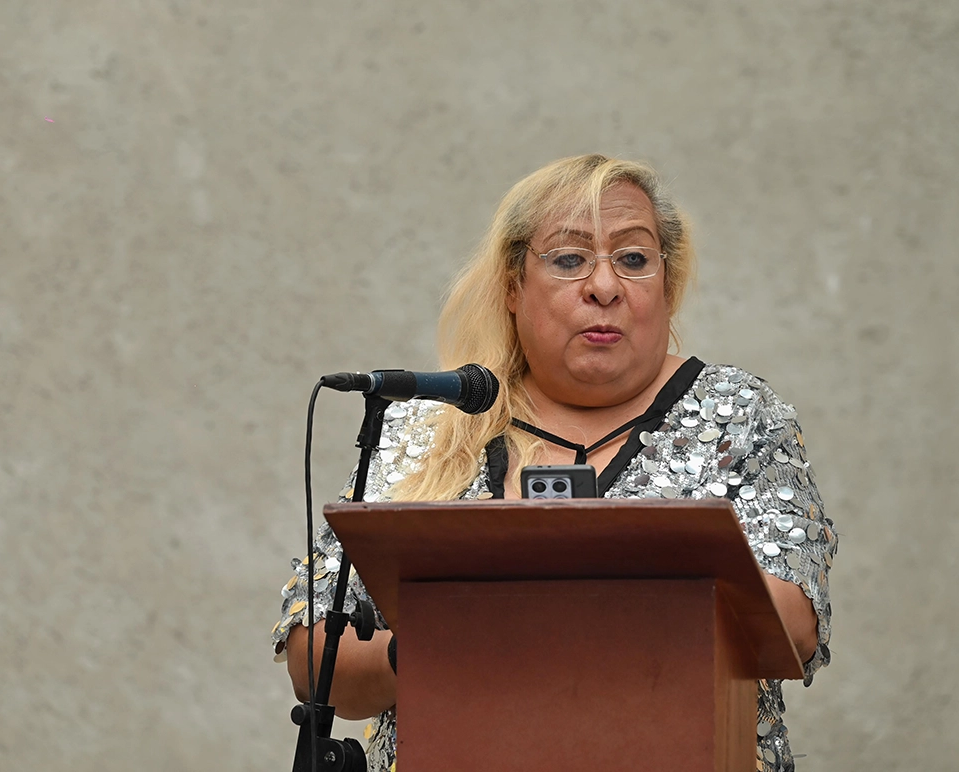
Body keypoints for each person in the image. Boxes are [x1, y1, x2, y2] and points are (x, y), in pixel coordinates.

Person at [271, 153, 837, 772]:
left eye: (634, 259)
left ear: (667, 287)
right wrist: (432, 648)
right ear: (513, 287)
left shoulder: (741, 415)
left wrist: (541, 612)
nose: (605, 286)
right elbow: (312, 654)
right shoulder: (432, 427)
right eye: (569, 260)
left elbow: (793, 625)